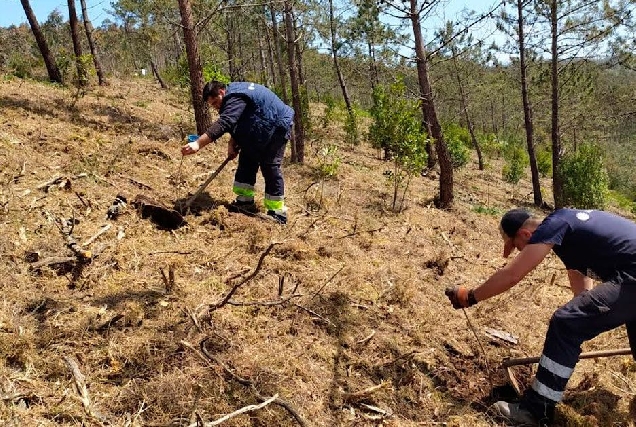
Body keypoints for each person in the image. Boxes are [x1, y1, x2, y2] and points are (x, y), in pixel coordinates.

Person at [445, 208, 636, 426]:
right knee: (575, 321)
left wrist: (470, 297)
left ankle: (535, 410)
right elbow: (580, 281)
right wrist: (586, 316)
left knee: (566, 323)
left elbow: (512, 274)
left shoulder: (554, 224)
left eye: (516, 247)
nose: (519, 252)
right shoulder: (571, 230)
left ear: (525, 235)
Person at [181, 81, 294, 224]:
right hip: (260, 126)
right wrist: (232, 142)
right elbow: (242, 119)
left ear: (222, 92)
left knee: (269, 166)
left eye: (216, 102)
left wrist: (198, 143)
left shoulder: (235, 96)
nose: (216, 107)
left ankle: (277, 213)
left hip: (277, 124)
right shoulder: (231, 96)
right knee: (247, 160)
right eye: (212, 105)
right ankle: (245, 202)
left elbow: (226, 122)